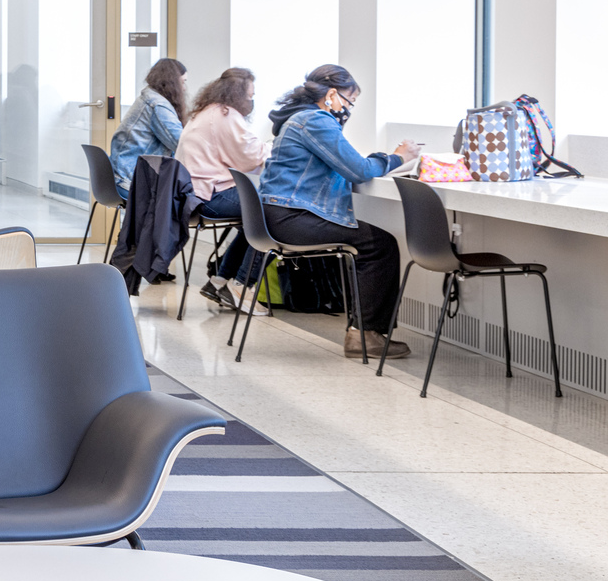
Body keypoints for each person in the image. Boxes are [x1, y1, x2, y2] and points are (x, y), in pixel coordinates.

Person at [254, 64, 422, 359]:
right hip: (292, 218)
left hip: (277, 215)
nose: (348, 109)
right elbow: (359, 170)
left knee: (371, 241)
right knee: (379, 245)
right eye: (349, 100)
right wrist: (399, 157)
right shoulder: (316, 120)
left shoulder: (298, 118)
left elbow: (348, 162)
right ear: (332, 95)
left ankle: (363, 331)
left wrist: (381, 160)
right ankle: (364, 335)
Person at [176, 68, 273, 314]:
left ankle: (219, 282)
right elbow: (250, 157)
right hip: (208, 196)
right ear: (237, 94)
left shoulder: (206, 112)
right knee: (272, 215)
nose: (252, 100)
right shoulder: (225, 115)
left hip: (194, 195)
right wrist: (275, 147)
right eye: (250, 95)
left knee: (253, 222)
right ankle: (240, 287)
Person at [109, 58, 188, 198]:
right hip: (130, 181)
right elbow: (182, 145)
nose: (184, 88)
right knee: (188, 194)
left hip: (121, 174)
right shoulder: (158, 105)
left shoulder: (148, 97)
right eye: (182, 82)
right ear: (173, 82)